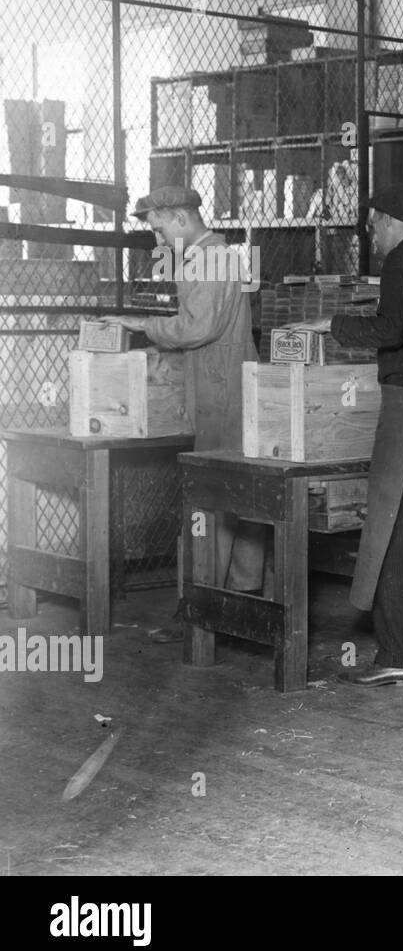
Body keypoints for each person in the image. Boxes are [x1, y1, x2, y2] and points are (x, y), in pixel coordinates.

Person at [293, 184, 403, 687]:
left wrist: (334, 324)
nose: (372, 232)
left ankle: (398, 651)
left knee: (391, 525)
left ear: (392, 221)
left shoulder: (400, 264)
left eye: (373, 224)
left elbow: (389, 332)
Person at [103, 186, 265, 637]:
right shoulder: (214, 255)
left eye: (158, 230)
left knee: (212, 499)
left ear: (179, 218)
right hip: (228, 388)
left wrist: (143, 325)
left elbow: (198, 327)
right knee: (240, 496)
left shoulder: (208, 257)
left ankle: (204, 610)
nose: (157, 242)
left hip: (222, 394)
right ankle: (241, 600)